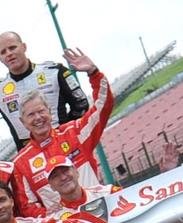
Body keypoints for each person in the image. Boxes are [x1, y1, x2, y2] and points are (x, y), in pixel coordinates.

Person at [11, 48, 114, 213]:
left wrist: (93, 73)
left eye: (41, 111)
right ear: (23, 122)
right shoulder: (20, 163)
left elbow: (104, 107)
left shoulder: (75, 133)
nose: (38, 118)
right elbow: (27, 207)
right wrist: (47, 213)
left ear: (50, 112)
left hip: (101, 215)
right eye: (31, 115)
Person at [0, 32, 93, 146]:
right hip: (32, 161)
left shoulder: (54, 72)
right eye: (3, 52)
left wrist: (65, 132)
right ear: (0, 59)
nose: (9, 54)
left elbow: (81, 105)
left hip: (64, 147)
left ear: (24, 47)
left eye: (12, 48)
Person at [46, 160, 118, 218]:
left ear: (76, 172)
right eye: (55, 176)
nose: (63, 177)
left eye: (65, 170)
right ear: (52, 186)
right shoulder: (53, 219)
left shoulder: (109, 192)